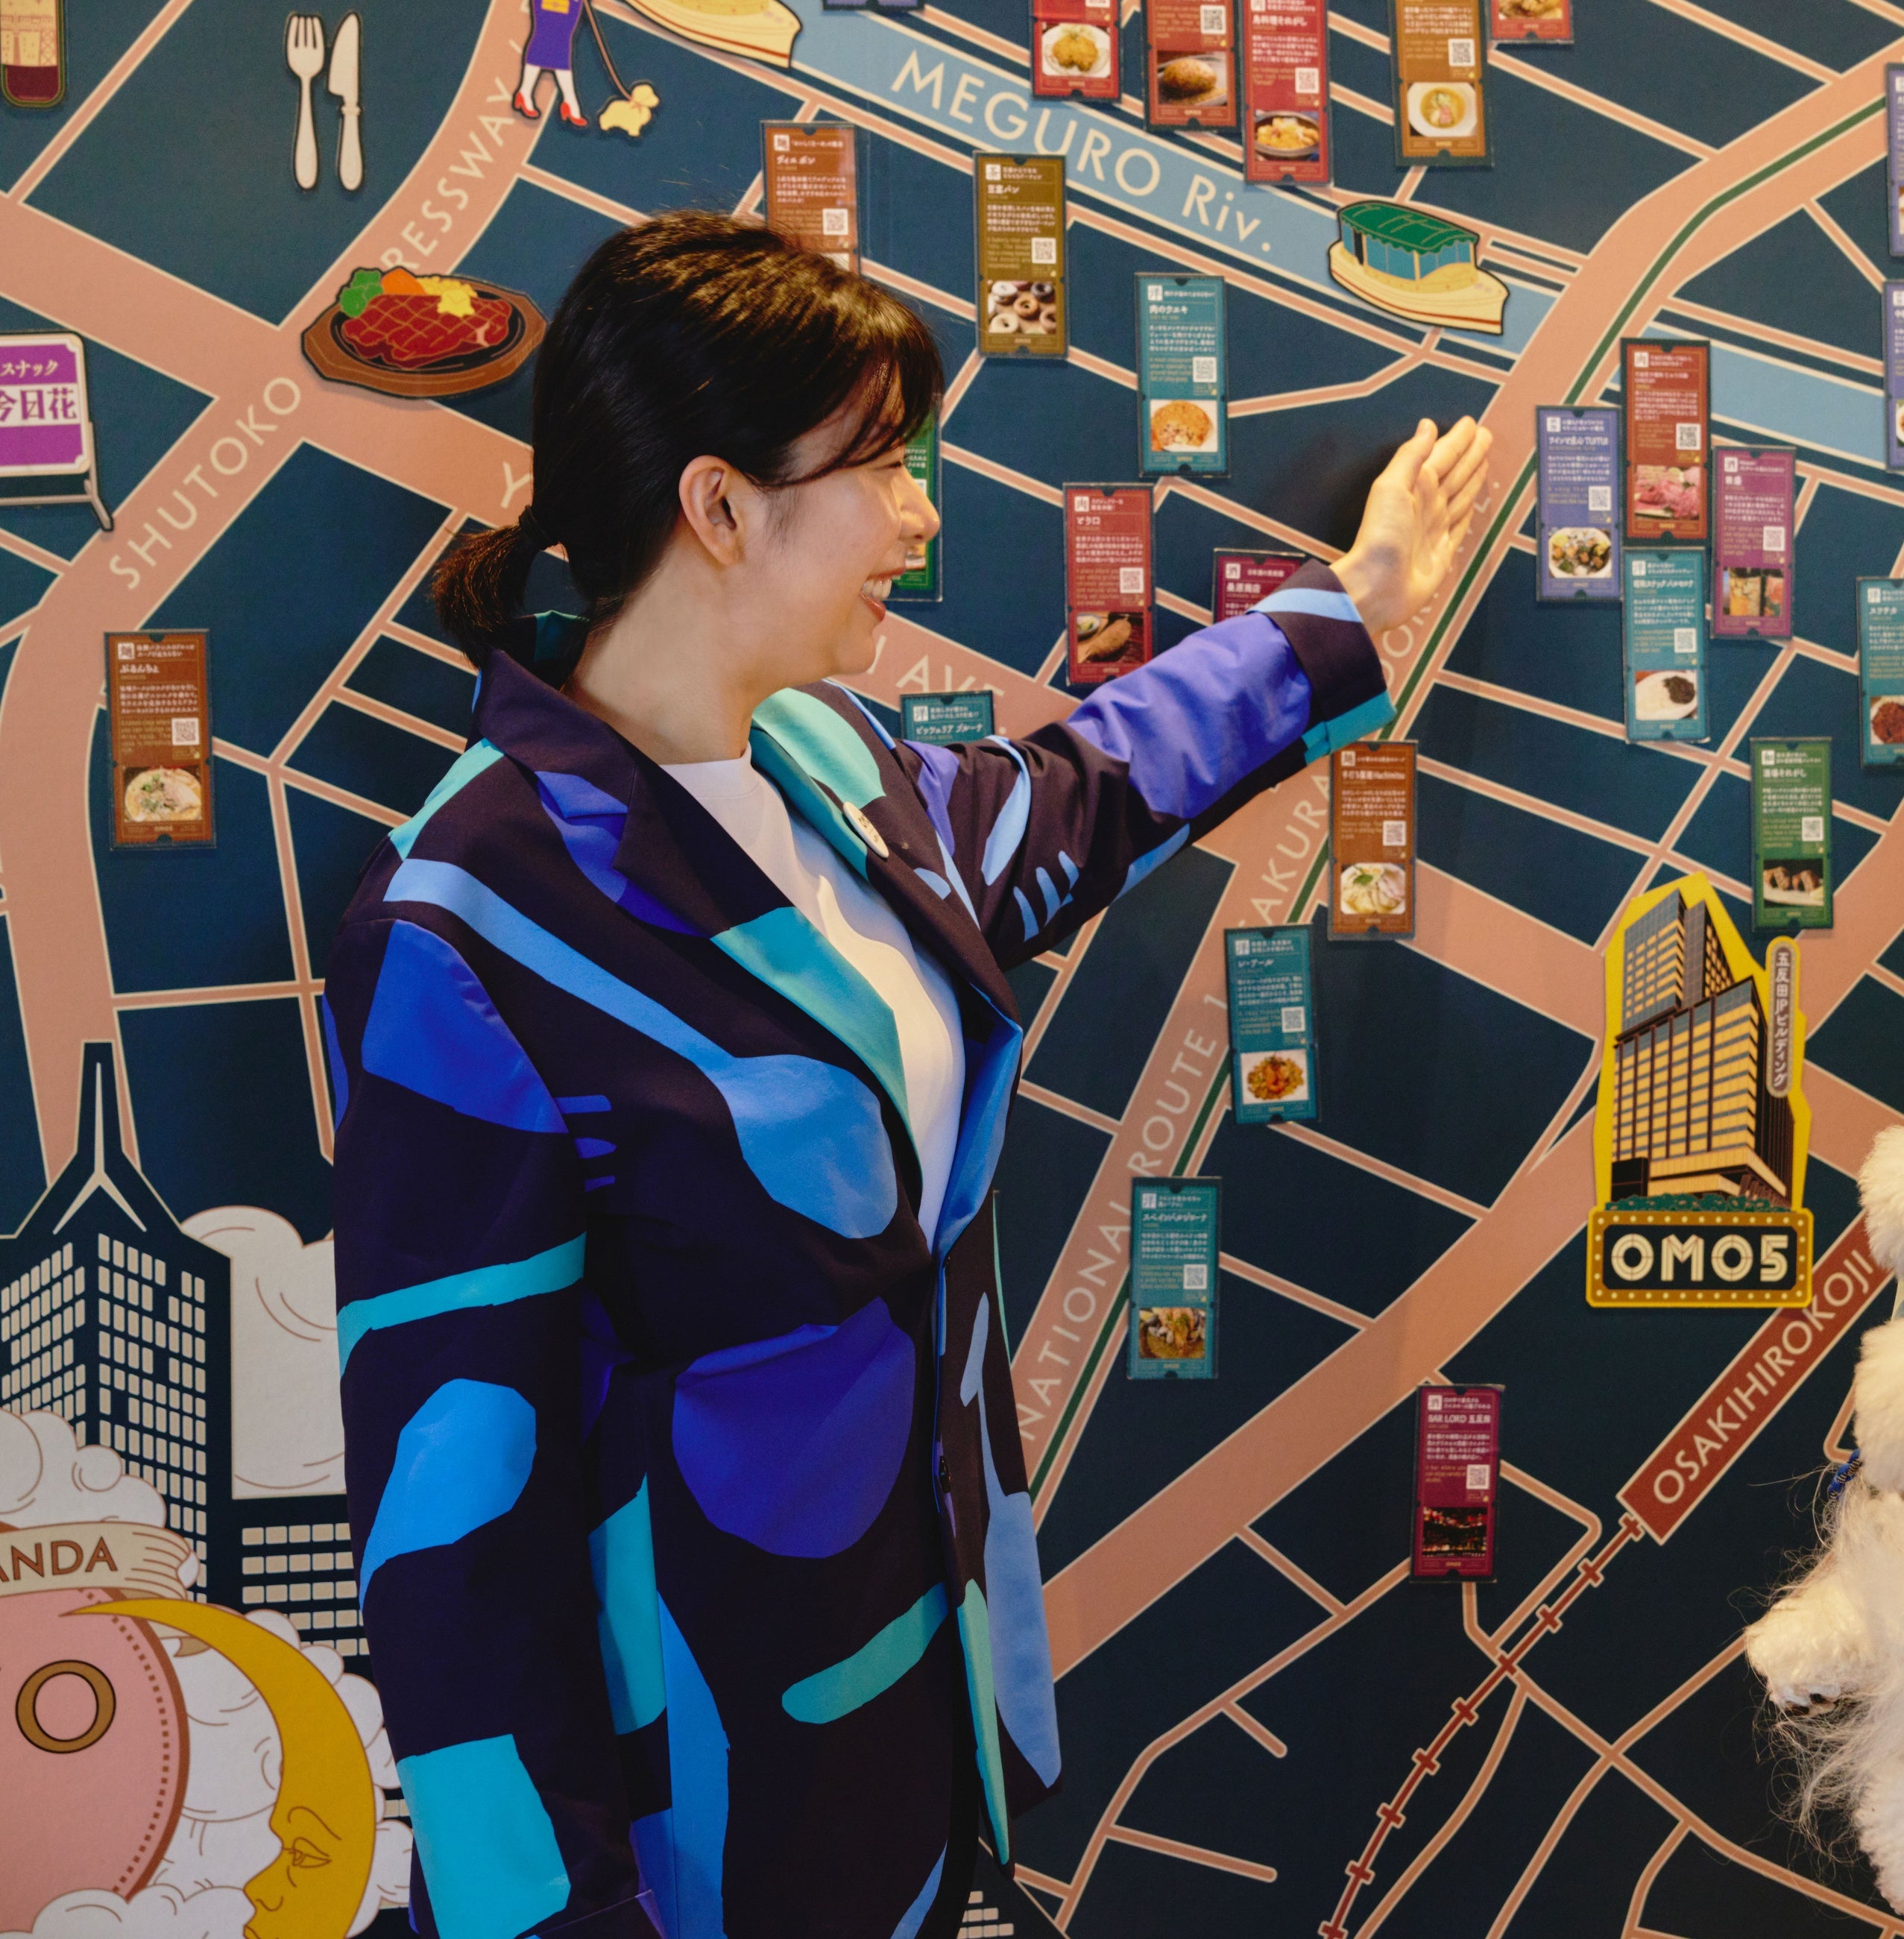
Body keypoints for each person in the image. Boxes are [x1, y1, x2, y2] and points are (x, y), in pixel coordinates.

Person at [327, 211, 1489, 1939]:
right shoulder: (468, 923)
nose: (922, 513)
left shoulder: (831, 761)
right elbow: (453, 1516)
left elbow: (1078, 798)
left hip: (911, 1695)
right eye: (882, 466)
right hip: (688, 1790)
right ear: (722, 507)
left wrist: (1355, 612)